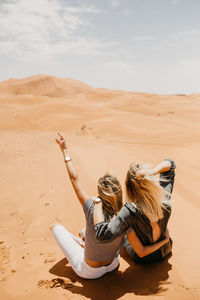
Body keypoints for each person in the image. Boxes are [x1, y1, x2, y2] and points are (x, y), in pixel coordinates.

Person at [51, 133, 170, 279]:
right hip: (114, 265)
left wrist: (65, 151)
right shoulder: (125, 216)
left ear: (100, 192)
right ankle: (84, 240)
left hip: (90, 272)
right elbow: (140, 249)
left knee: (56, 228)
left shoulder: (91, 205)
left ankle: (82, 244)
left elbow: (74, 179)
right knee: (85, 232)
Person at [94, 159, 176, 263]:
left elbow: (102, 234)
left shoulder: (130, 211)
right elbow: (170, 165)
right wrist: (152, 172)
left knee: (125, 229)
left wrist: (97, 203)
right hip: (166, 249)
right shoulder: (164, 198)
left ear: (129, 188)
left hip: (145, 259)